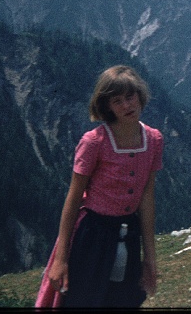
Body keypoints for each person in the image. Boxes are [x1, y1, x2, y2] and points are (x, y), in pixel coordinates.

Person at [35, 65, 162, 309]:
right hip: (92, 236)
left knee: (124, 301)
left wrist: (150, 258)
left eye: (130, 97)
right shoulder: (94, 142)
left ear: (140, 96)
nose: (127, 105)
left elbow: (147, 197)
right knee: (84, 300)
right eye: (117, 101)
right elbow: (73, 199)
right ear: (106, 107)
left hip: (129, 233)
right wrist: (60, 259)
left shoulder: (154, 140)